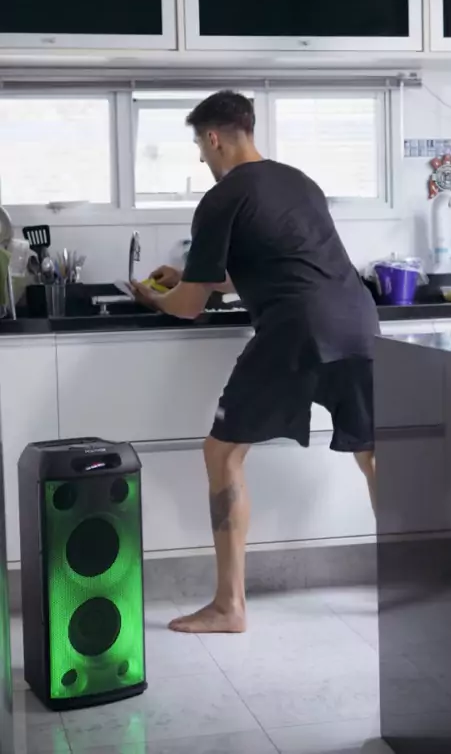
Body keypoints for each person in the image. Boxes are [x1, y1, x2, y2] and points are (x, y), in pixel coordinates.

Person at [132, 90, 379, 635]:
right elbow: (266, 264)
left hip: (297, 328)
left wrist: (155, 297)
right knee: (373, 455)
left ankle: (229, 606)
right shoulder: (300, 182)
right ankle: (410, 590)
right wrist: (188, 276)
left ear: (213, 138)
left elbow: (189, 307)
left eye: (200, 147)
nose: (202, 157)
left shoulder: (222, 197)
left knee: (222, 452)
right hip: (359, 320)